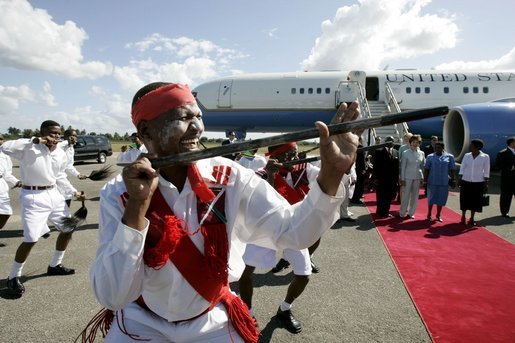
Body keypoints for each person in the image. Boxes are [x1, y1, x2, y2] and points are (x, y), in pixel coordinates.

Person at [88, 82, 360, 342]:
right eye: (183, 118)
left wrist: (331, 174)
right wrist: (137, 207)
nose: (197, 128)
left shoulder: (229, 176)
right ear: (146, 131)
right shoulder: (118, 193)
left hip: (212, 322)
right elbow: (114, 296)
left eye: (198, 116)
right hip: (140, 322)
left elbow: (294, 232)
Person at [239, 142, 322, 334]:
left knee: (304, 274)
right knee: (246, 274)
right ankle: (248, 313)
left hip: (291, 229)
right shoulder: (259, 174)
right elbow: (260, 201)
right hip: (264, 231)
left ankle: (284, 309)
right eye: (290, 154)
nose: (295, 158)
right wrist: (270, 175)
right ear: (277, 157)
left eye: (295, 153)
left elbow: (324, 177)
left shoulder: (303, 169)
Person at [1, 120, 86, 296]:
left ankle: (55, 265)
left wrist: (74, 192)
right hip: (33, 197)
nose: (55, 137)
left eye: (58, 134)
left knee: (68, 228)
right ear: (42, 133)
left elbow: (60, 176)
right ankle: (13, 276)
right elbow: (6, 147)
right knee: (31, 238)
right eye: (52, 133)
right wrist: (34, 140)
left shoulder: (60, 154)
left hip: (54, 194)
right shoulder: (28, 148)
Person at [458, 139, 490, 225]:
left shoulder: (485, 157)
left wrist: (486, 183)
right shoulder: (466, 155)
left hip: (478, 182)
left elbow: (486, 170)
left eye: (472, 145)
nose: (470, 146)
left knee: (475, 201)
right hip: (466, 180)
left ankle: (472, 218)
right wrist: (460, 178)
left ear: (477, 147)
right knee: (464, 199)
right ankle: (463, 216)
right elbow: (462, 167)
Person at [424, 142, 456, 222]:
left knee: (441, 199)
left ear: (442, 148)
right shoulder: (430, 157)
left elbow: (452, 169)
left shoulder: (449, 157)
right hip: (432, 181)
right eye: (435, 147)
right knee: (431, 198)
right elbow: (426, 169)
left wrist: (453, 179)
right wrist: (425, 180)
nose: (436, 149)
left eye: (438, 147)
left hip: (443, 181)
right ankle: (429, 214)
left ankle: (438, 214)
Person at [0, 134, 22, 247]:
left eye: (1, 139)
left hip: (1, 186)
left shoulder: (5, 155)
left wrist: (16, 182)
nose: (0, 141)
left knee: (6, 212)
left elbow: (7, 173)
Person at [58, 129, 88, 207]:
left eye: (76, 136)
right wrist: (67, 142)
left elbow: (69, 165)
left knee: (67, 195)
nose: (75, 138)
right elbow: (57, 146)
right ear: (66, 136)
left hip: (61, 176)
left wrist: (78, 174)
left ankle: (65, 214)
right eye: (73, 136)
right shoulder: (59, 144)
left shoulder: (71, 148)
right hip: (55, 177)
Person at [399, 134, 425, 219]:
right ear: (410, 142)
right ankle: (402, 212)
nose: (415, 144)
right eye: (413, 142)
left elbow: (422, 166)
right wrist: (402, 179)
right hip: (407, 177)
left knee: (415, 196)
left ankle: (411, 213)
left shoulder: (421, 153)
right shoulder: (405, 153)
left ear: (419, 143)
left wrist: (422, 177)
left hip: (417, 177)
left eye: (417, 142)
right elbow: (403, 167)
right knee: (406, 195)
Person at [372, 136, 399, 218]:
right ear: (385, 142)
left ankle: (386, 211)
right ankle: (380, 212)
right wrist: (375, 178)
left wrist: (397, 179)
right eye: (389, 140)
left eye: (392, 141)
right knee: (381, 196)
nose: (390, 142)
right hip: (381, 178)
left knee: (389, 196)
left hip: (392, 179)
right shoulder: (379, 151)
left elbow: (397, 166)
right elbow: (375, 166)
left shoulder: (396, 152)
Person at [496, 137, 515, 218]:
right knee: (506, 196)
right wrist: (510, 167)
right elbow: (498, 165)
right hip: (507, 179)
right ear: (511, 143)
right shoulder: (502, 153)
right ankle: (504, 212)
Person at [350, 137, 366, 204]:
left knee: (356, 184)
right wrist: (363, 169)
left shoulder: (353, 146)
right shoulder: (360, 146)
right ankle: (356, 198)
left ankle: (354, 197)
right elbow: (362, 159)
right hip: (360, 168)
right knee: (359, 184)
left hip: (355, 167)